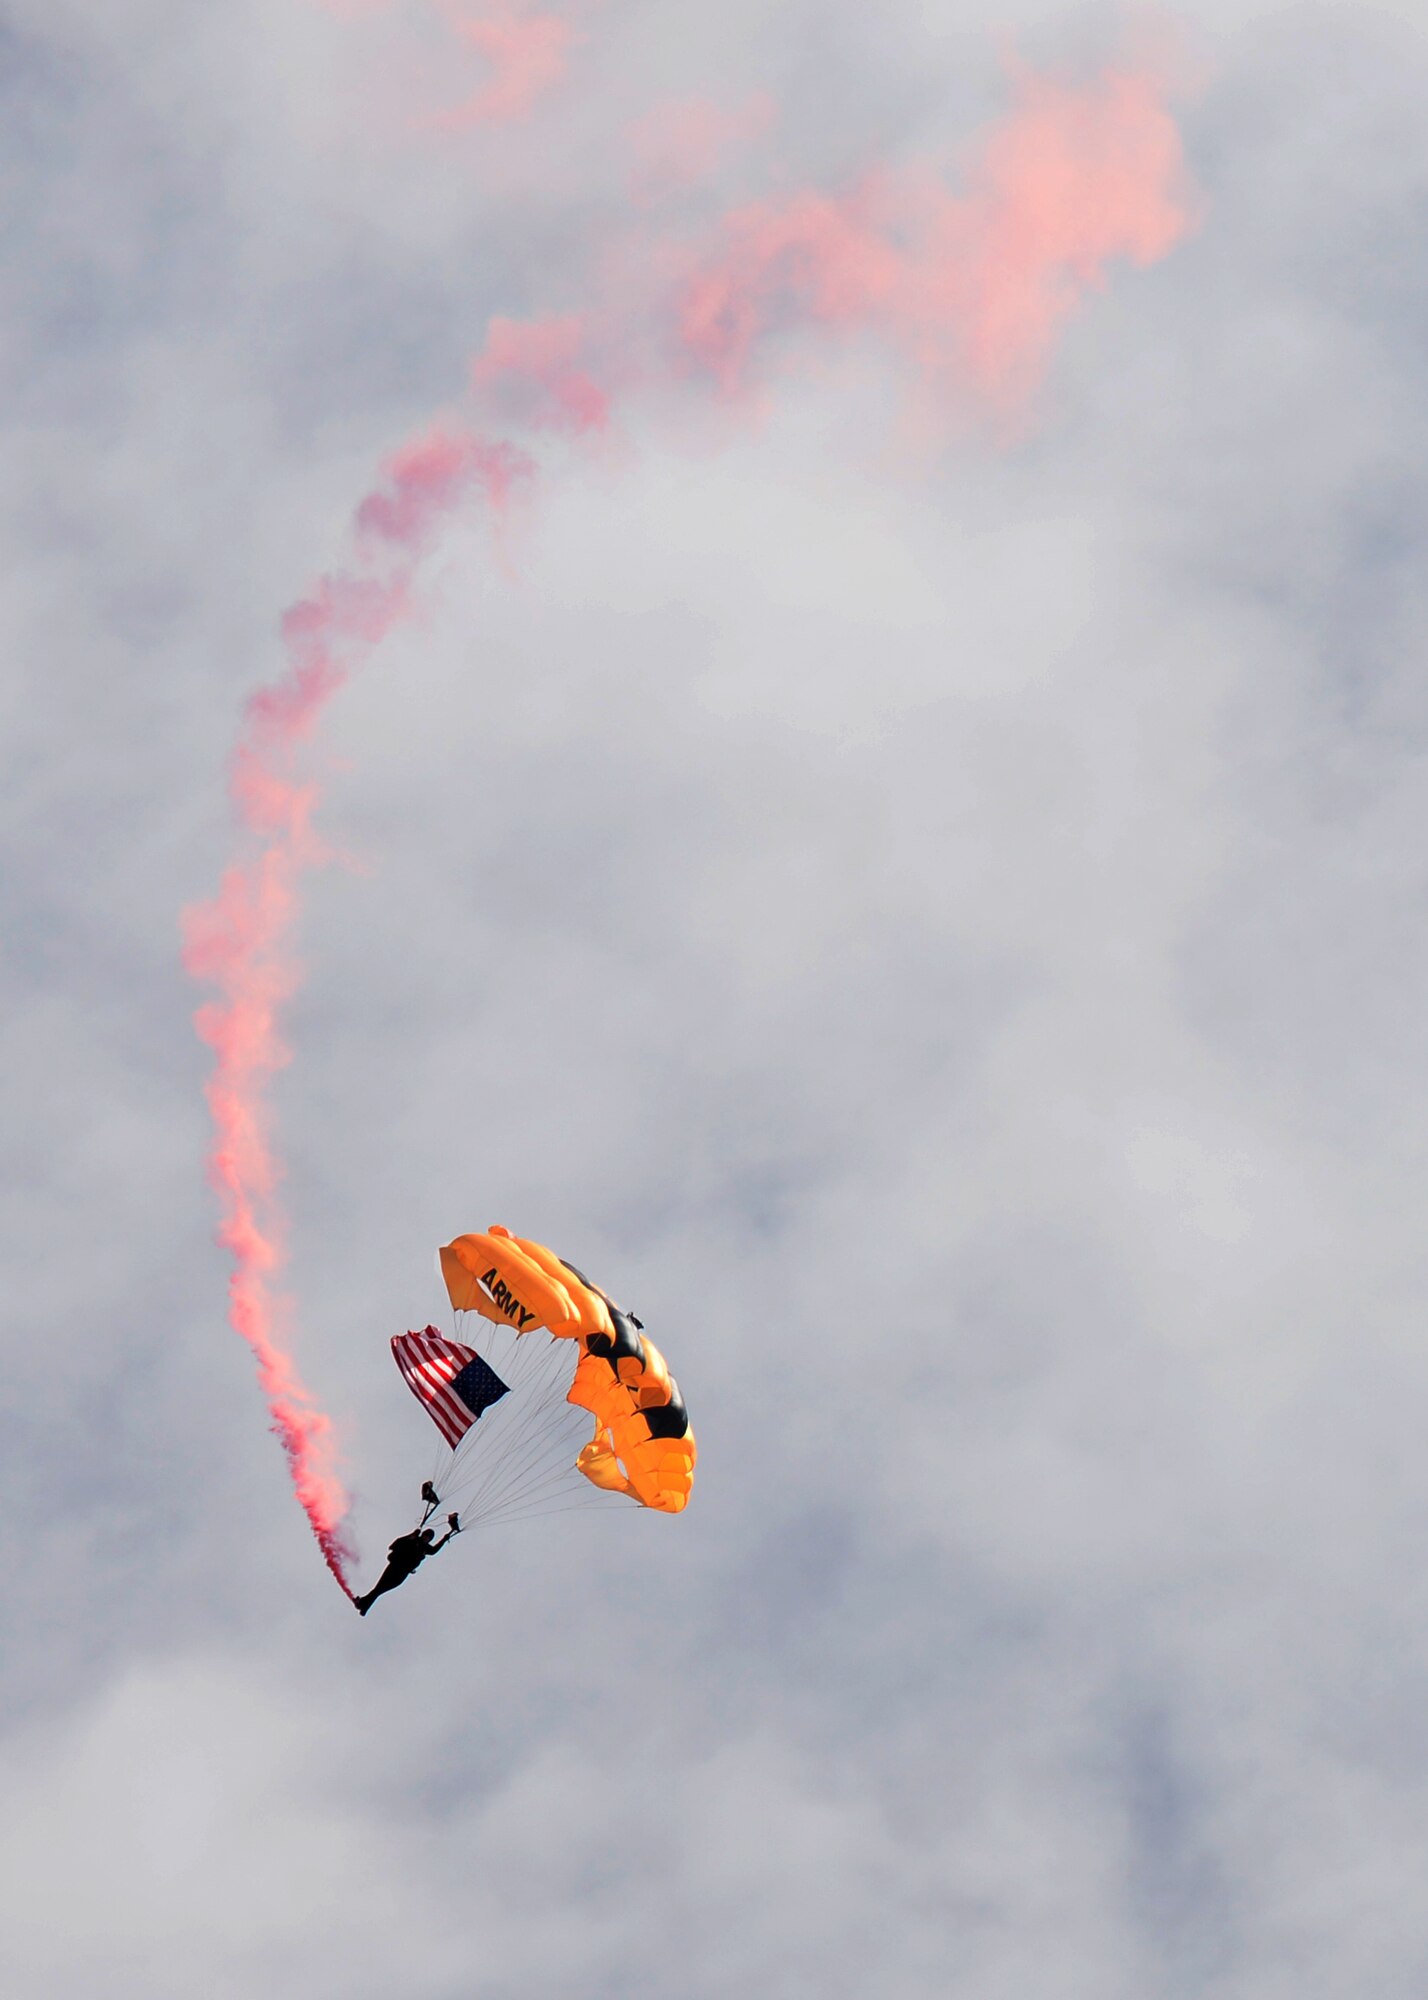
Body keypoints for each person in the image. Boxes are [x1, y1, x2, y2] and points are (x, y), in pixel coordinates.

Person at [354, 1512, 460, 1616]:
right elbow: (395, 1544)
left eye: (428, 1538)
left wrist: (445, 1538)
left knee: (380, 1589)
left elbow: (434, 1551)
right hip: (395, 1566)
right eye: (426, 1535)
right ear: (423, 1534)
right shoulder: (413, 1539)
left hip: (402, 1573)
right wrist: (412, 1535)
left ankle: (363, 1605)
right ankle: (363, 1606)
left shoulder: (425, 1548)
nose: (426, 1538)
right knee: (379, 1588)